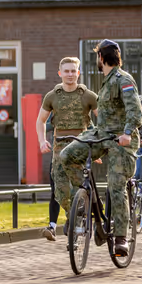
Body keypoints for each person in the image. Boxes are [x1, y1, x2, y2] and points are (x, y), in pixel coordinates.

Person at [58, 40, 141, 256]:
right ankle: (87, 199)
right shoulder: (106, 81)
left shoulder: (123, 79)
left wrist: (127, 133)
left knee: (116, 185)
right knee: (66, 156)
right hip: (102, 134)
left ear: (101, 58)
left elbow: (135, 111)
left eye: (97, 57)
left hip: (121, 139)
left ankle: (121, 237)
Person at [36, 57, 98, 241]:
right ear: (60, 73)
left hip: (81, 147)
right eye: (67, 71)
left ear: (78, 73)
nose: (70, 74)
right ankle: (71, 215)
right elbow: (40, 121)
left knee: (78, 188)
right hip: (59, 148)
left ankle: (78, 218)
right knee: (60, 191)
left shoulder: (88, 95)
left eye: (73, 71)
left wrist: (98, 147)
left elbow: (101, 120)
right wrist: (41, 141)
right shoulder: (52, 96)